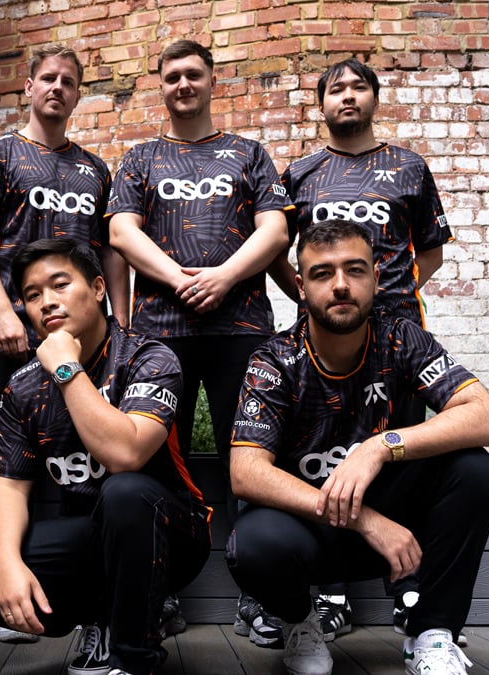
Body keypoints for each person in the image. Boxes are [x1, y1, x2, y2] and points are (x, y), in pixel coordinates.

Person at [226, 218, 489, 675]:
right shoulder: (275, 360)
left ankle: (432, 633)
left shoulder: (401, 337)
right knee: (253, 543)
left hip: (398, 527)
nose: (340, 285)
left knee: (475, 472)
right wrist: (366, 520)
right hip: (316, 531)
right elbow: (246, 471)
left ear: (376, 277)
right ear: (300, 286)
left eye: (355, 270)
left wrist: (380, 446)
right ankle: (301, 622)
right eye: (322, 273)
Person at [0, 239, 212, 675]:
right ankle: (104, 619)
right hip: (90, 535)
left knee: (125, 491)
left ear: (96, 288)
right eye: (32, 296)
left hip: (172, 535)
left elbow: (125, 454)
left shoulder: (148, 357)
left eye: (59, 285)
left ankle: (134, 660)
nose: (46, 302)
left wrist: (67, 370)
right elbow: (11, 487)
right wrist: (10, 567)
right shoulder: (24, 387)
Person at [106, 38, 291, 649]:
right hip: (161, 335)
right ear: (160, 87)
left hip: (242, 329)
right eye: (171, 77)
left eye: (193, 75)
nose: (182, 85)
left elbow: (277, 228)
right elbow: (122, 232)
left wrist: (224, 276)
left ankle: (262, 600)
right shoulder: (140, 159)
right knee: (158, 466)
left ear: (214, 82)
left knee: (257, 461)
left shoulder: (249, 154)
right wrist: (180, 277)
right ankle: (158, 596)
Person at [276, 56, 456, 644]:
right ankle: (330, 588)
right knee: (330, 451)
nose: (347, 97)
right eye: (335, 89)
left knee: (398, 459)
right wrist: (312, 301)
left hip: (398, 337)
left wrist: (394, 293)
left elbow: (428, 248)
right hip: (329, 337)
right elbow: (281, 252)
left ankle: (406, 587)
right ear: (320, 105)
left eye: (358, 87)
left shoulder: (408, 167)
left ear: (375, 98)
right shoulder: (299, 173)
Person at [0, 43, 128, 422]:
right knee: (20, 449)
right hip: (14, 331)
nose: (57, 87)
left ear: (77, 95)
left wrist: (122, 325)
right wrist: (2, 313)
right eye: (49, 78)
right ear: (29, 87)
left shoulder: (96, 169)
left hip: (87, 337)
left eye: (68, 82)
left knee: (87, 442)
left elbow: (112, 251)